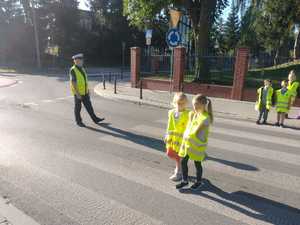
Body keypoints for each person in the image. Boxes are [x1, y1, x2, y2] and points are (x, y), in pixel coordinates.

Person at [176, 94, 213, 190]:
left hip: (197, 145)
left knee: (197, 163)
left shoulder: (205, 118)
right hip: (189, 143)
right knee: (183, 161)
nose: (194, 107)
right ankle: (185, 181)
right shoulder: (195, 114)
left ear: (203, 105)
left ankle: (199, 181)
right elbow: (189, 127)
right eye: (193, 105)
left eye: (196, 105)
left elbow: (194, 132)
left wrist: (186, 136)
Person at [69, 53, 104, 127]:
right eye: (81, 60)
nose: (82, 61)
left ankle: (95, 119)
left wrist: (87, 90)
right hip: (78, 93)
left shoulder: (82, 68)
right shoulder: (73, 70)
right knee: (78, 108)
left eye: (82, 60)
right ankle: (78, 121)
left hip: (85, 92)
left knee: (89, 106)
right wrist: (77, 94)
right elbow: (73, 82)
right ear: (76, 61)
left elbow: (84, 80)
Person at [164, 93, 190, 181]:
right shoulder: (172, 113)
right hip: (173, 138)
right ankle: (180, 167)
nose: (180, 105)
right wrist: (167, 135)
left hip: (183, 139)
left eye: (182, 103)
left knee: (179, 156)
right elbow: (169, 125)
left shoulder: (188, 114)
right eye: (178, 103)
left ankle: (178, 172)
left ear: (186, 104)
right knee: (169, 153)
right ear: (174, 103)